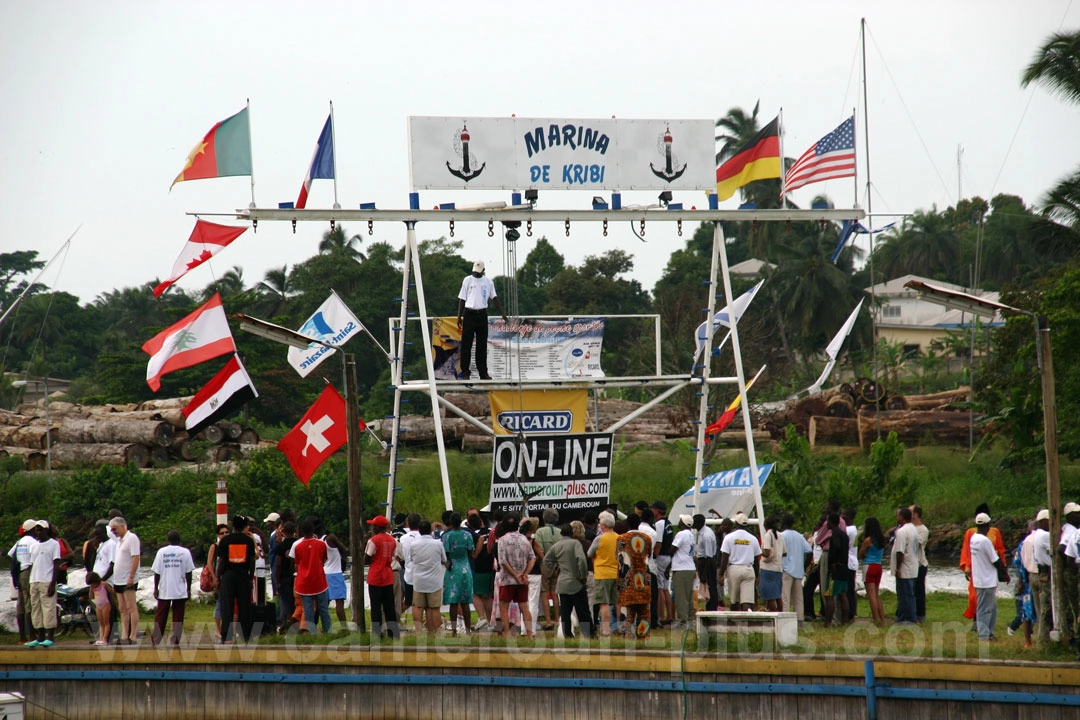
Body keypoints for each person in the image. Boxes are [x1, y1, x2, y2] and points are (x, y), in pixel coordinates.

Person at [456, 259, 508, 380]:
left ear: (483, 270)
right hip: (469, 314)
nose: (477, 273)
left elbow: (494, 298)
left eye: (479, 272)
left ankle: (483, 373)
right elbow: (462, 299)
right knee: (466, 345)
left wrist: (503, 314)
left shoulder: (488, 282)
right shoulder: (467, 280)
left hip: (482, 315)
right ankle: (465, 372)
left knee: (481, 346)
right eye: (475, 271)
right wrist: (459, 317)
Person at [960, 503, 1006, 627]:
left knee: (989, 600)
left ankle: (984, 627)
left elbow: (1000, 551)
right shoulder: (971, 533)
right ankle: (978, 624)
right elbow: (967, 551)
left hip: (990, 571)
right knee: (974, 598)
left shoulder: (995, 532)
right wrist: (967, 567)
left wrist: (1003, 570)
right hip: (976, 570)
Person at [544, 524, 591, 639]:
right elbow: (581, 560)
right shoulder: (575, 544)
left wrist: (556, 566)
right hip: (575, 582)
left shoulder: (557, 545)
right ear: (572, 533)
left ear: (561, 533)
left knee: (565, 611)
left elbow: (546, 560)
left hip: (562, 582)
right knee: (583, 610)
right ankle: (588, 634)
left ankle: (567, 634)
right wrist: (583, 575)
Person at [216, 515, 257, 642]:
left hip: (228, 576)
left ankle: (226, 636)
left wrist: (218, 577)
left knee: (227, 607)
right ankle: (246, 634)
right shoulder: (248, 541)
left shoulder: (225, 541)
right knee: (244, 607)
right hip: (243, 576)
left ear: (232, 526)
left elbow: (221, 561)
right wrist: (250, 577)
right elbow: (252, 561)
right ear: (244, 526)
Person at [150, 530, 195, 646]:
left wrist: (156, 587)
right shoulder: (185, 552)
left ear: (168, 540)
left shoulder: (161, 552)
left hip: (165, 588)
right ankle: (175, 639)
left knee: (160, 615)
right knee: (178, 616)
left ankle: (156, 639)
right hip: (179, 589)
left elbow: (157, 572)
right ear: (179, 540)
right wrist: (188, 588)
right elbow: (188, 573)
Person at [496, 513, 535, 639]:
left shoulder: (502, 540)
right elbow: (532, 558)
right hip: (522, 580)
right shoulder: (524, 539)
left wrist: (515, 574)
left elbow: (502, 561)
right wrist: (525, 573)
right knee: (524, 606)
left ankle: (507, 634)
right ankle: (529, 634)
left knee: (503, 606)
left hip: (507, 579)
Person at [970, 511, 1008, 641]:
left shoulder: (973, 538)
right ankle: (984, 635)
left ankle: (989, 633)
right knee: (984, 609)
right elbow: (995, 560)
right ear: (988, 526)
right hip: (986, 580)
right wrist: (1005, 574)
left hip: (979, 579)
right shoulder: (985, 541)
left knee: (992, 608)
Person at [291, 519, 332, 635]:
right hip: (319, 581)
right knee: (323, 609)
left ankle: (312, 633)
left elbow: (296, 565)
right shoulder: (321, 544)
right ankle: (328, 631)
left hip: (304, 583)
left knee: (308, 610)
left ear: (301, 531)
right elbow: (324, 559)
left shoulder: (297, 547)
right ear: (313, 530)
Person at [617, 514, 653, 640]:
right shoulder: (647, 538)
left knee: (628, 612)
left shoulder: (621, 539)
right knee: (644, 612)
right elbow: (649, 556)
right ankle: (643, 637)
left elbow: (620, 561)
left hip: (627, 581)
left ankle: (628, 637)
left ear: (627, 524)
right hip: (644, 580)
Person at [410, 520, 448, 635]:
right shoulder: (438, 543)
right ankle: (436, 632)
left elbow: (412, 559)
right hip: (434, 581)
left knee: (418, 607)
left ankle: (418, 632)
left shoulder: (414, 544)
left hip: (419, 581)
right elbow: (444, 559)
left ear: (419, 531)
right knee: (434, 608)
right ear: (431, 531)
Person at [365, 515, 400, 639]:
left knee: (375, 607)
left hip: (375, 576)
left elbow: (367, 558)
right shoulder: (392, 540)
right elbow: (394, 555)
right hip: (388, 575)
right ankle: (393, 633)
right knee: (389, 607)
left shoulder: (373, 540)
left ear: (376, 527)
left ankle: (377, 633)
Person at [26, 520, 60, 647]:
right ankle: (39, 636)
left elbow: (56, 564)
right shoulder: (33, 546)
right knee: (36, 609)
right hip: (34, 580)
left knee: (48, 608)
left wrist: (53, 583)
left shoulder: (53, 544)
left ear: (46, 530)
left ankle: (50, 636)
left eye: (40, 530)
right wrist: (29, 583)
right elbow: (32, 564)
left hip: (47, 580)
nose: (38, 532)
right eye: (36, 530)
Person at [719, 513, 761, 612]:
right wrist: (757, 575)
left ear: (736, 523)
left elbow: (724, 557)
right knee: (747, 600)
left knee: (734, 601)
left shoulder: (729, 537)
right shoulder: (753, 538)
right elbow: (756, 560)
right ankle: (747, 621)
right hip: (748, 569)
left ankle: (734, 623)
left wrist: (721, 574)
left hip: (734, 569)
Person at [587, 511, 620, 636]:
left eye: (601, 523)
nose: (599, 525)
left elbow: (590, 553)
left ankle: (606, 630)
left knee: (604, 603)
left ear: (604, 525)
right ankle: (619, 627)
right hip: (615, 573)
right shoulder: (619, 538)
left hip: (602, 573)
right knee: (617, 602)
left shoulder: (599, 539)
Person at [109, 517, 141, 645]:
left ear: (122, 526)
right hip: (118, 579)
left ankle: (133, 635)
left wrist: (131, 576)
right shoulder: (119, 541)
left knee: (131, 607)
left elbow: (136, 557)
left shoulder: (131, 538)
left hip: (128, 578)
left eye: (114, 529)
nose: (113, 531)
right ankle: (124, 634)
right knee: (122, 608)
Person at [441, 512, 474, 635]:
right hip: (465, 567)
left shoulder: (447, 536)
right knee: (465, 601)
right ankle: (468, 630)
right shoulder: (467, 535)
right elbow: (471, 551)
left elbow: (445, 554)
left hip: (453, 569)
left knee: (453, 602)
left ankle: (454, 630)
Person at [8, 519, 39, 644]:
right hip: (28, 572)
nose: (37, 531)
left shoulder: (19, 542)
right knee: (29, 605)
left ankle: (22, 637)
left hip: (20, 573)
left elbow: (12, 556)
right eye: (36, 528)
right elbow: (36, 558)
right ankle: (32, 636)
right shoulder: (33, 542)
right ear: (32, 529)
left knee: (20, 606)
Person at [1008, 524, 1038, 648]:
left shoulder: (1025, 542)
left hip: (1027, 580)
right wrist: (1021, 582)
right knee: (1026, 612)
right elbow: (1019, 565)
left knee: (1028, 612)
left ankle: (1029, 639)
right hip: (1027, 582)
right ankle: (1026, 638)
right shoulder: (1026, 543)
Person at [535, 508, 562, 631]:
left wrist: (546, 561)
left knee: (545, 593)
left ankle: (548, 621)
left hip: (545, 565)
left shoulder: (540, 532)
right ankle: (557, 620)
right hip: (558, 565)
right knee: (556, 594)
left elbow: (538, 548)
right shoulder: (560, 532)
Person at [467, 510, 495, 631]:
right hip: (491, 566)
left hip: (478, 567)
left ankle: (482, 618)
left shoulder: (473, 534)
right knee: (488, 596)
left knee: (474, 593)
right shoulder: (491, 532)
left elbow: (472, 550)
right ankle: (490, 622)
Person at [892, 507, 920, 624]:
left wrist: (898, 568)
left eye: (898, 515)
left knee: (905, 594)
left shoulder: (902, 532)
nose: (896, 517)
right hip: (913, 565)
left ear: (902, 517)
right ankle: (903, 616)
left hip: (905, 567)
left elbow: (900, 552)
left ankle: (910, 618)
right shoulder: (913, 529)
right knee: (909, 593)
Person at [779, 513, 810, 618]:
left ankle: (785, 619)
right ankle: (800, 619)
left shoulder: (781, 536)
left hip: (786, 570)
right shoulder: (799, 536)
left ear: (782, 523)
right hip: (798, 570)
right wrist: (804, 565)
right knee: (798, 598)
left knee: (785, 597)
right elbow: (809, 550)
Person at [858, 517, 888, 626]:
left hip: (869, 566)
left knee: (871, 595)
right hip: (878, 566)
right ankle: (883, 619)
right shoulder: (881, 539)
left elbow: (860, 554)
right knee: (876, 594)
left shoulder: (868, 540)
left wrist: (864, 553)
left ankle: (875, 619)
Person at [1030, 509, 1053, 646]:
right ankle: (1044, 641)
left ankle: (1043, 638)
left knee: (1041, 608)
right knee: (1047, 608)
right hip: (1046, 572)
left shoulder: (1037, 534)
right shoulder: (1045, 535)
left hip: (1039, 571)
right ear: (1044, 521)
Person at [822, 513, 850, 627]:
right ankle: (844, 621)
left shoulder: (835, 535)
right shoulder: (844, 535)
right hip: (844, 567)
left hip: (835, 570)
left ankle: (828, 622)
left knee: (829, 595)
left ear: (831, 522)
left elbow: (836, 547)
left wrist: (833, 562)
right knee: (843, 594)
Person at [650, 501, 675, 627]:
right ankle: (670, 615)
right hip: (668, 557)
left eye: (653, 509)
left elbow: (658, 543)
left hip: (661, 557)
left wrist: (655, 556)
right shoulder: (668, 523)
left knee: (659, 588)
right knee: (665, 588)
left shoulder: (659, 524)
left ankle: (661, 616)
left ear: (658, 511)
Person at [669, 515, 696, 627]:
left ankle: (682, 620)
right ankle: (689, 619)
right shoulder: (691, 535)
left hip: (681, 568)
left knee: (681, 597)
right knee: (688, 596)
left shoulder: (681, 534)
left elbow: (672, 549)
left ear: (683, 523)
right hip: (690, 568)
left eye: (681, 520)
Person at [273, 521, 298, 634]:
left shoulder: (281, 546)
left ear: (283, 532)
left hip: (284, 577)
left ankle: (289, 625)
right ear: (295, 531)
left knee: (286, 603)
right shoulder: (297, 544)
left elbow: (278, 564)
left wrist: (277, 581)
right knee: (296, 602)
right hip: (297, 577)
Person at [692, 514, 720, 612]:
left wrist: (704, 574)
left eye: (694, 522)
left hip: (707, 562)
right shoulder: (700, 532)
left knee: (710, 586)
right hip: (703, 561)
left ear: (699, 523)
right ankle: (709, 607)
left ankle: (712, 608)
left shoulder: (706, 535)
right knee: (707, 587)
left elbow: (708, 556)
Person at [759, 515, 786, 612]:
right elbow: (784, 553)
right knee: (777, 595)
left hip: (767, 569)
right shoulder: (781, 535)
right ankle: (781, 615)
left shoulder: (767, 535)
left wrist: (758, 551)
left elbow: (766, 553)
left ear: (765, 525)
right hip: (778, 568)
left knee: (769, 596)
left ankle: (773, 614)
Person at [206, 523, 228, 639]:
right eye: (222, 533)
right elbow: (210, 562)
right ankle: (218, 629)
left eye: (226, 532)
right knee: (220, 603)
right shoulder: (214, 546)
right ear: (217, 535)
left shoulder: (229, 545)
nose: (224, 535)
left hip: (227, 578)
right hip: (218, 578)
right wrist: (214, 577)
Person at [322, 529, 348, 625]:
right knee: (339, 602)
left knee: (325, 603)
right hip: (335, 573)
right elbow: (344, 550)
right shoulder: (331, 538)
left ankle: (325, 626)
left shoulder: (322, 541)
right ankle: (344, 626)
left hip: (326, 572)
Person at [910, 505, 930, 622]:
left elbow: (916, 544)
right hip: (909, 564)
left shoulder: (923, 530)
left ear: (916, 514)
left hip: (919, 563)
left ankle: (920, 615)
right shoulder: (908, 528)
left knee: (919, 590)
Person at [87, 572, 112, 646]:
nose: (93, 585)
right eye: (91, 584)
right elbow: (91, 597)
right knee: (101, 623)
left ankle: (105, 639)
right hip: (98, 605)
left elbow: (111, 591)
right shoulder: (92, 588)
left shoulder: (103, 584)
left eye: (93, 584)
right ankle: (101, 639)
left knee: (106, 622)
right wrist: (91, 589)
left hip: (105, 605)